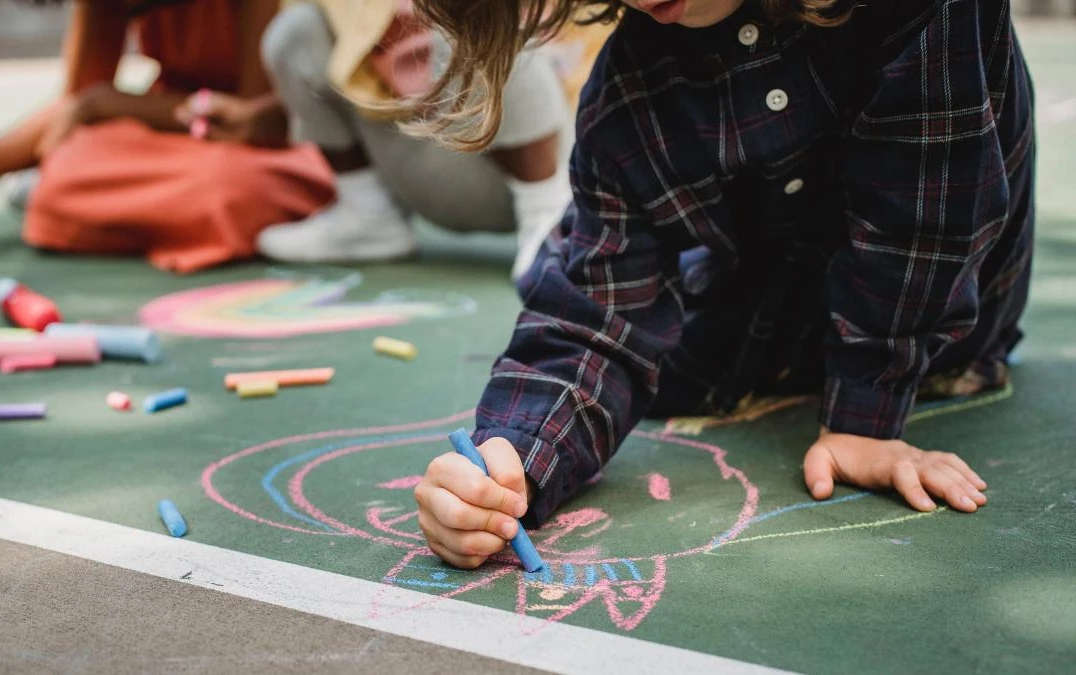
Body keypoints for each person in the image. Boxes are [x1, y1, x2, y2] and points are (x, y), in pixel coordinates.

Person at [409, 0, 1034, 568]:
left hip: (936, 331)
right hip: (759, 326)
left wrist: (864, 416)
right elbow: (598, 319)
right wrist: (510, 464)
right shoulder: (632, 90)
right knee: (594, 287)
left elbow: (926, 217)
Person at [0, 0, 334, 274]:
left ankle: (127, 215)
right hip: (179, 137)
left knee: (226, 188)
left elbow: (254, 118)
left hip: (273, 142)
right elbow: (75, 110)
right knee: (70, 166)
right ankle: (152, 215)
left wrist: (115, 104)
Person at [255, 0, 611, 279]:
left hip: (540, 156)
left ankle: (551, 222)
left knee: (472, 16)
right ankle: (368, 215)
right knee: (296, 30)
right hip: (414, 147)